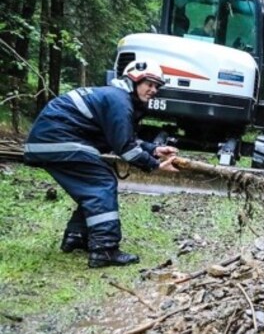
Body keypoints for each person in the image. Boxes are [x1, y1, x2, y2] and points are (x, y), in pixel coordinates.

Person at [24, 59, 180, 268]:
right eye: (149, 84)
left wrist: (154, 149)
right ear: (133, 81)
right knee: (101, 183)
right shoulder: (119, 101)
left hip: (51, 141)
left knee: (92, 185)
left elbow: (118, 138)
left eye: (157, 86)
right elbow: (125, 148)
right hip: (58, 141)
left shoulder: (116, 98)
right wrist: (155, 165)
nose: (153, 90)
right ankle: (104, 250)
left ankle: (77, 236)